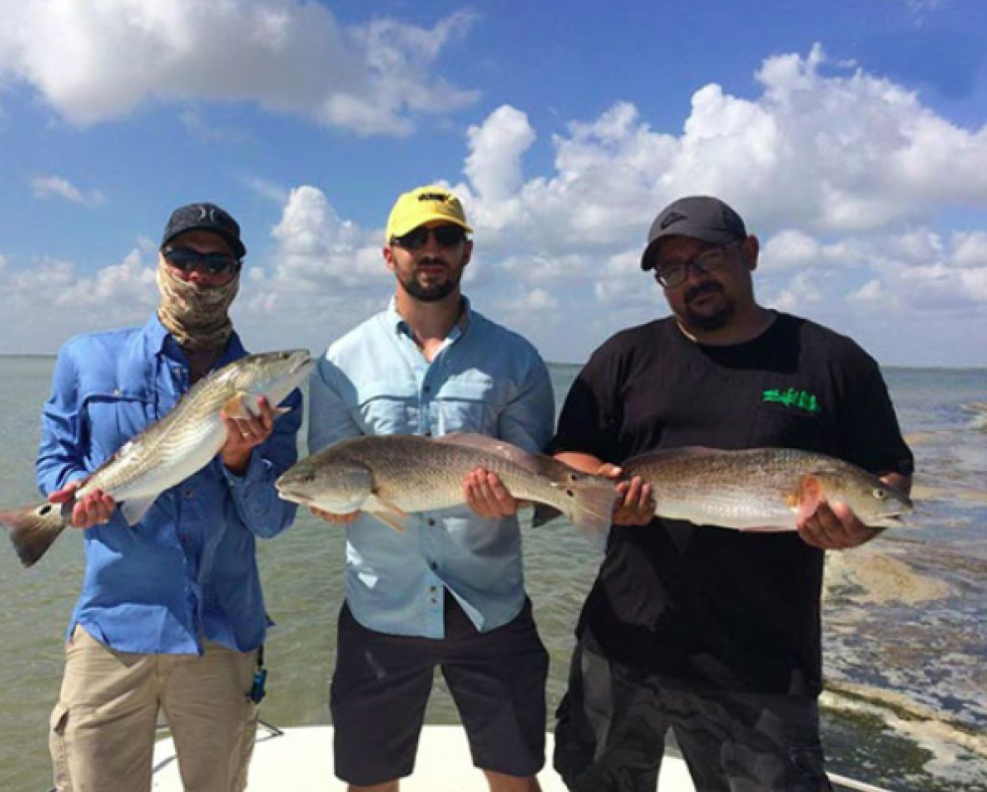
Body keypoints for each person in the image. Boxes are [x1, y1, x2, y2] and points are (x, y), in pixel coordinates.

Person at [549, 196, 914, 791]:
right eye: (672, 269)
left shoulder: (832, 361)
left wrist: (860, 525)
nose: (692, 277)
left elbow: (889, 473)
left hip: (762, 660)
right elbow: (567, 455)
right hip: (623, 641)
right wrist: (606, 489)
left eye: (707, 257)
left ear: (749, 253)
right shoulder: (624, 355)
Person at [36, 202, 303, 792]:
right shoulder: (86, 357)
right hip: (110, 627)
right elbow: (55, 460)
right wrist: (72, 498)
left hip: (223, 632)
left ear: (236, 274)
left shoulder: (271, 396)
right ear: (160, 262)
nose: (198, 273)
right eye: (183, 257)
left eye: (216, 261)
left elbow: (273, 521)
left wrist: (238, 459)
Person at [308, 185, 555, 792]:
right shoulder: (341, 360)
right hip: (380, 607)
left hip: (490, 604)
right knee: (369, 781)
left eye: (445, 237)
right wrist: (330, 508)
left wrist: (517, 498)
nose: (431, 249)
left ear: (467, 251)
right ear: (387, 254)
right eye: (415, 239)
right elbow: (330, 474)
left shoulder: (517, 358)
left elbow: (534, 473)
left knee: (517, 776)